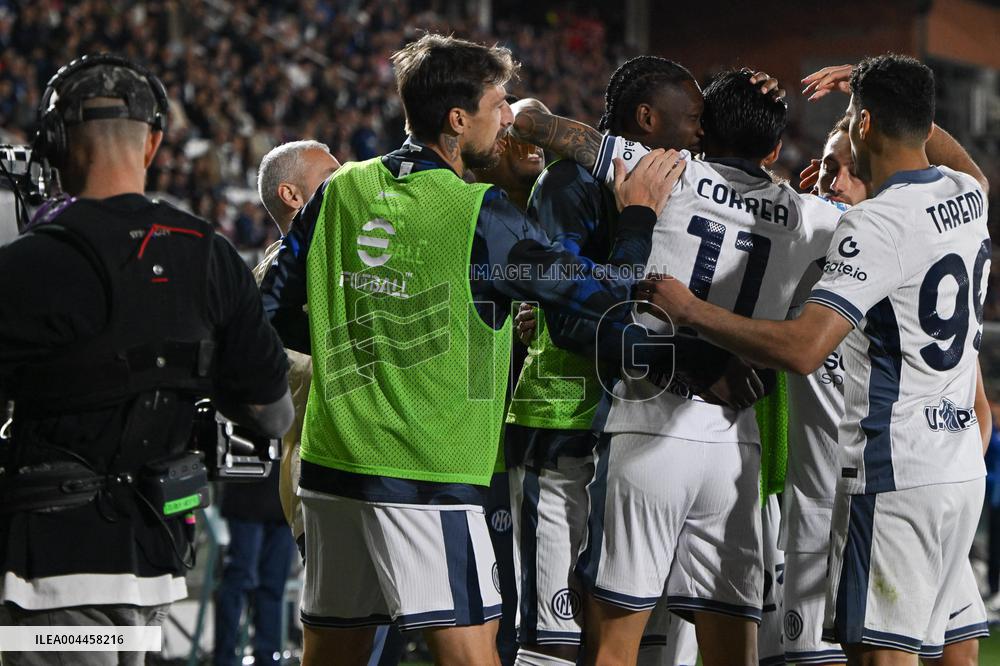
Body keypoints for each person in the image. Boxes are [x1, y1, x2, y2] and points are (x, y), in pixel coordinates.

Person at [260, 34, 685, 666]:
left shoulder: (339, 190)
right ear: (459, 120)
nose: (509, 115)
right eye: (499, 102)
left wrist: (360, 339)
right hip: (429, 475)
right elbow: (601, 300)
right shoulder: (478, 213)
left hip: (330, 469)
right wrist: (637, 219)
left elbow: (272, 312)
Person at [639, 55, 990, 666]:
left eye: (855, 112)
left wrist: (693, 311)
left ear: (865, 124)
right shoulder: (966, 197)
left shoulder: (875, 225)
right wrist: (885, 96)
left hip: (892, 474)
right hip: (959, 473)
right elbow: (966, 165)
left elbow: (804, 348)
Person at [515, 68, 844, 666]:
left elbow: (541, 127)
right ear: (774, 148)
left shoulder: (668, 174)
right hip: (734, 443)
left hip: (647, 426)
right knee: (729, 643)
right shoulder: (810, 216)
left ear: (706, 132)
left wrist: (533, 118)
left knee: (613, 641)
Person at [0, 54, 293, 666]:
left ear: (54, 146)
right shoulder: (211, 256)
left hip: (50, 572)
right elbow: (271, 415)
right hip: (155, 563)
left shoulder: (24, 264)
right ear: (154, 142)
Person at [785, 113, 991, 666]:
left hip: (883, 496)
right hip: (915, 490)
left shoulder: (875, 235)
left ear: (871, 170)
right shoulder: (824, 250)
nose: (825, 183)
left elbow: (801, 348)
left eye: (837, 168)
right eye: (821, 171)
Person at [212, 140, 342, 666]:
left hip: (363, 468)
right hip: (320, 479)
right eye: (330, 178)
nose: (346, 184)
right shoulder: (273, 283)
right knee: (338, 627)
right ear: (292, 195)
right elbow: (271, 373)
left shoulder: (337, 263)